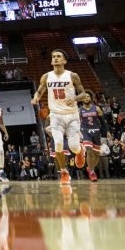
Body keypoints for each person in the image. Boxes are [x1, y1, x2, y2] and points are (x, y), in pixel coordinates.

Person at [31, 49, 86, 185]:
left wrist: (74, 98)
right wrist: (36, 97)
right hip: (55, 115)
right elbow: (41, 90)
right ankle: (64, 171)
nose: (55, 58)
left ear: (64, 61)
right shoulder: (46, 76)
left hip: (72, 114)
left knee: (73, 146)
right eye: (53, 56)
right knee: (58, 145)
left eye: (58, 56)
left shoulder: (72, 76)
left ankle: (80, 151)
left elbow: (83, 94)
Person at [77, 93, 106, 182]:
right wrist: (77, 134)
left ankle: (90, 168)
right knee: (89, 151)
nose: (86, 98)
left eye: (88, 96)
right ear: (82, 99)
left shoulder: (97, 108)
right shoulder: (79, 110)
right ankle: (92, 172)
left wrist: (105, 134)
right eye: (84, 97)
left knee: (97, 154)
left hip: (96, 131)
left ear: (91, 98)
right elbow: (76, 123)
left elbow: (103, 122)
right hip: (85, 131)